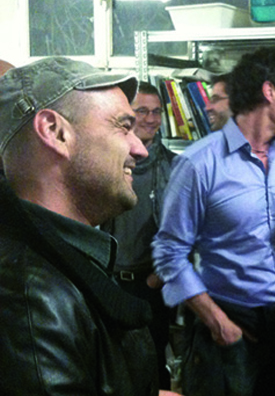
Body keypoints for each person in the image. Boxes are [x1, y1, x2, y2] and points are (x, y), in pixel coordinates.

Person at [152, 47, 275, 396]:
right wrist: (214, 320)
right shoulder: (199, 163)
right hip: (232, 326)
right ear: (269, 91)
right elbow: (169, 253)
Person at [0, 57, 181, 395]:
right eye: (123, 126)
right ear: (55, 132)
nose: (139, 149)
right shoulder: (31, 300)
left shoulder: (62, 259)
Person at [101, 81, 177, 389]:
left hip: (151, 286)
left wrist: (156, 279)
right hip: (109, 281)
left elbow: (187, 232)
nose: (150, 118)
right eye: (142, 111)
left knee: (152, 364)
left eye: (156, 111)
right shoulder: (108, 163)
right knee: (113, 366)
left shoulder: (175, 167)